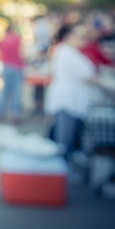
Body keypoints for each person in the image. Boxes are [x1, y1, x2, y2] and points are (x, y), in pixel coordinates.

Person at [45, 23, 96, 161]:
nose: (83, 38)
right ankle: (60, 174)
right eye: (80, 35)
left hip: (72, 101)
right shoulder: (66, 53)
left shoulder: (69, 52)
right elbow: (89, 76)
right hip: (67, 102)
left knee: (68, 140)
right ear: (69, 36)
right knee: (64, 142)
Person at [0, 22, 25, 123]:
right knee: (16, 91)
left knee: (5, 90)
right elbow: (22, 52)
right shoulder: (17, 38)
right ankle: (14, 114)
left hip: (6, 66)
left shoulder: (2, 40)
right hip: (17, 66)